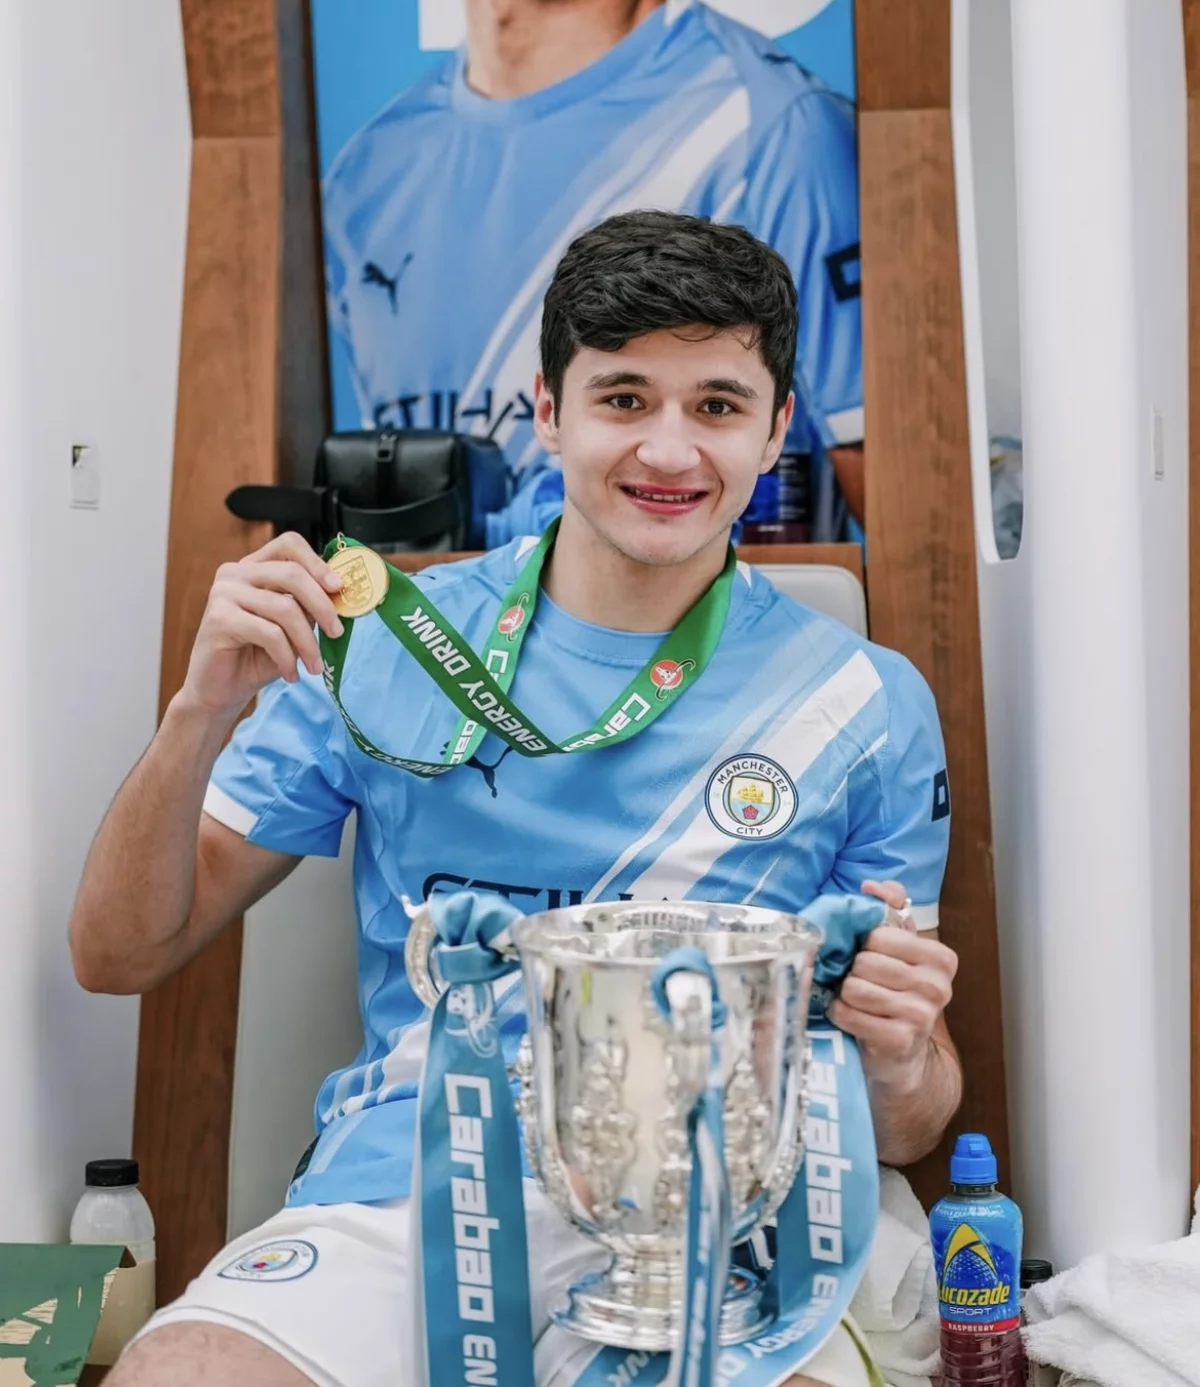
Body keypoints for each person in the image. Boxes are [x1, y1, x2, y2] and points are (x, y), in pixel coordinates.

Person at [70, 212, 958, 1387]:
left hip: (719, 1231)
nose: (670, 451)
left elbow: (909, 1123)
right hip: (406, 1196)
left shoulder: (861, 701)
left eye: (717, 405)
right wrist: (198, 713)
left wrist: (901, 1054)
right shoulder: (386, 640)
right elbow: (117, 954)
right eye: (624, 398)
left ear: (776, 426)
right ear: (548, 410)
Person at [321, 0, 866, 539]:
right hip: (442, 598)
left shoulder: (773, 126)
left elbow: (888, 508)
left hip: (710, 594)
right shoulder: (364, 175)